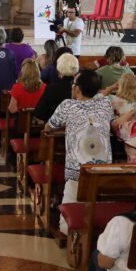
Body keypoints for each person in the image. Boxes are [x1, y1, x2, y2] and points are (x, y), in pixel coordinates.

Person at [47, 70, 114, 214]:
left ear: (77, 89)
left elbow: (48, 127)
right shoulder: (106, 104)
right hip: (103, 171)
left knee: (66, 224)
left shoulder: (67, 105)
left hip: (77, 172)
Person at [34, 52, 79, 123]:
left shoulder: (52, 87)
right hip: (76, 127)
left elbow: (39, 113)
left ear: (59, 68)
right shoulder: (80, 86)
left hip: (54, 129)